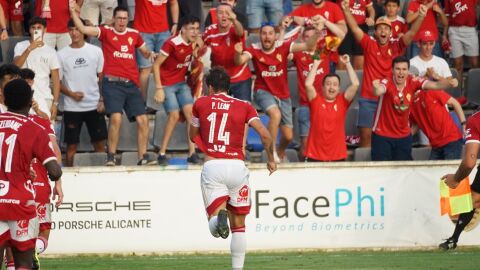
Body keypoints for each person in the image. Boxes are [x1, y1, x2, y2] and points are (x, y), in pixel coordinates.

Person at [189, 67, 276, 270]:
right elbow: (265, 135)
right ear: (228, 87)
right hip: (237, 166)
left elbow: (193, 134)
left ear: (210, 87)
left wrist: (206, 142)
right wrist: (271, 159)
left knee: (214, 222)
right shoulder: (244, 105)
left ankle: (218, 221)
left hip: (213, 165)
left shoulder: (200, 103)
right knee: (239, 227)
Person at [69, 5, 156, 166]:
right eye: (119, 18)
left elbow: (144, 51)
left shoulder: (134, 34)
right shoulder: (107, 32)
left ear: (127, 20)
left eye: (124, 18)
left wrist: (150, 54)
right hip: (112, 83)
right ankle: (111, 156)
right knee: (116, 118)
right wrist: (73, 11)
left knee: (143, 120)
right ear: (114, 19)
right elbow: (82, 28)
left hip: (131, 85)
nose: (122, 21)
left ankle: (142, 157)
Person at [341, 0, 427, 147]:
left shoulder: (397, 46)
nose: (383, 31)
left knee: (388, 139)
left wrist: (421, 17)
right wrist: (347, 11)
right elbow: (355, 29)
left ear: (391, 32)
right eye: (380, 28)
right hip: (368, 98)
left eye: (386, 28)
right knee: (366, 139)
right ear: (375, 31)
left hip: (389, 100)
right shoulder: (369, 44)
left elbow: (412, 33)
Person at [234, 17, 320, 162]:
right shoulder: (254, 48)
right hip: (262, 91)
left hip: (283, 94)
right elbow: (240, 61)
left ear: (275, 36)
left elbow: (308, 46)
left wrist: (317, 33)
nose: (267, 36)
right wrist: (237, 53)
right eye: (264, 33)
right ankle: (271, 151)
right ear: (260, 35)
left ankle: (279, 152)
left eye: (270, 33)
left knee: (288, 136)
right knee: (275, 114)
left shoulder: (283, 46)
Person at [0, 79, 62, 270]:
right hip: (21, 203)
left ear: (4, 100)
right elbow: (54, 169)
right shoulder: (35, 129)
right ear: (30, 100)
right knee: (24, 263)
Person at [371, 56, 458, 161]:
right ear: (392, 70)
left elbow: (436, 86)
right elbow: (378, 91)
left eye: (404, 69)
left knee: (403, 171)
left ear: (408, 71)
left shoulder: (413, 81)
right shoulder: (387, 81)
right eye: (397, 69)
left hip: (403, 136)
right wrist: (375, 87)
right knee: (382, 171)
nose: (401, 72)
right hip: (382, 134)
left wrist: (449, 82)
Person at [152, 15, 202, 165]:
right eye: (192, 29)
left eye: (197, 29)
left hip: (181, 83)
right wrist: (158, 88)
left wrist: (197, 48)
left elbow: (200, 43)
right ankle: (162, 153)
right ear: (183, 29)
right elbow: (156, 65)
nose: (195, 32)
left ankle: (192, 153)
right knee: (174, 115)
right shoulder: (172, 43)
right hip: (167, 85)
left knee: (191, 115)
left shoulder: (193, 42)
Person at [290, 22, 345, 160]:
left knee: (325, 142)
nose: (310, 38)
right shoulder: (298, 53)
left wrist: (325, 22)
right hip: (305, 105)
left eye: (313, 35)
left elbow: (341, 34)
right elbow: (282, 48)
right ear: (303, 39)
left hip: (325, 105)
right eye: (307, 36)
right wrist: (297, 30)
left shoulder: (324, 50)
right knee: (305, 144)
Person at [58, 18, 107, 167]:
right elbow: (57, 83)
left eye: (77, 29)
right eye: (71, 29)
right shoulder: (61, 54)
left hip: (94, 105)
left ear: (83, 30)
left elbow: (102, 78)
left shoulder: (96, 51)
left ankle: (103, 175)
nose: (74, 33)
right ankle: (70, 175)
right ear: (68, 31)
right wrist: (72, 94)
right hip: (72, 107)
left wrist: (101, 99)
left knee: (99, 144)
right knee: (71, 146)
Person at [304, 55, 359, 161]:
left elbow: (355, 84)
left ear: (339, 89)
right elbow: (308, 84)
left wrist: (347, 63)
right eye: (328, 84)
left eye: (335, 85)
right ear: (322, 87)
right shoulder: (316, 101)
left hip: (337, 155)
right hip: (314, 155)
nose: (331, 87)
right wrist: (315, 65)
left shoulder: (342, 101)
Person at [409, 29, 457, 147]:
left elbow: (453, 84)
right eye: (425, 44)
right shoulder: (411, 63)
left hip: (440, 108)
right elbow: (409, 87)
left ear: (434, 44)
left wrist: (436, 76)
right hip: (421, 109)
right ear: (418, 44)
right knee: (428, 147)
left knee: (445, 144)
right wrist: (425, 76)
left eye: (431, 43)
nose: (428, 47)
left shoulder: (441, 62)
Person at [441, 111, 480, 250]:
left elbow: (469, 162)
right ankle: (454, 239)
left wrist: (456, 179)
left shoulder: (476, 119)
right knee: (474, 199)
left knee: (474, 199)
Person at [13, 16, 61, 121]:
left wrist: (56, 104)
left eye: (39, 27)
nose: (36, 30)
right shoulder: (20, 46)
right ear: (29, 30)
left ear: (45, 30)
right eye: (33, 27)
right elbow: (16, 66)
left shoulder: (51, 51)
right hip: (23, 97)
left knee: (47, 132)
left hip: (45, 96)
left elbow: (56, 80)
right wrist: (30, 48)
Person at [203, 4, 251, 102]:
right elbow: (201, 41)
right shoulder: (210, 30)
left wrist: (234, 20)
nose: (224, 15)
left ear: (232, 15)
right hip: (220, 80)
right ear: (216, 16)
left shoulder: (235, 28)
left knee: (243, 112)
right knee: (218, 112)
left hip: (240, 78)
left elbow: (240, 32)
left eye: (227, 13)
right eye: (220, 13)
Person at [134, 0, 179, 99]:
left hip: (163, 31)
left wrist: (175, 23)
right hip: (143, 32)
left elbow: (173, 3)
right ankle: (143, 103)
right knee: (145, 69)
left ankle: (166, 101)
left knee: (167, 67)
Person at [410, 89, 465, 160]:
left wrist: (463, 123)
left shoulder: (431, 91)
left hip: (452, 140)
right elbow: (416, 123)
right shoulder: (410, 104)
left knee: (448, 170)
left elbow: (454, 102)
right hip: (436, 145)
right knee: (433, 170)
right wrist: (404, 138)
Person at [444, 0, 479, 84]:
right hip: (454, 30)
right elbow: (447, 18)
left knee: (475, 63)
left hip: (470, 29)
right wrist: (445, 35)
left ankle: (475, 90)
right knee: (457, 64)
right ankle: (458, 92)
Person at [336, 0, 375, 70]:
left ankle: (356, 80)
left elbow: (370, 8)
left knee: (359, 59)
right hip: (345, 26)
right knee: (343, 58)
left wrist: (371, 17)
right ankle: (341, 80)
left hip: (361, 27)